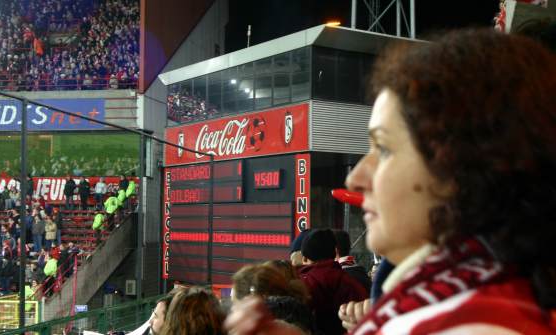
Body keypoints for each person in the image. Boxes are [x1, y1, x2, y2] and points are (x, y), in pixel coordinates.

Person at [224, 29, 556, 335]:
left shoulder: (469, 324)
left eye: (383, 148)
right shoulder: (466, 302)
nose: (355, 178)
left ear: (463, 166)